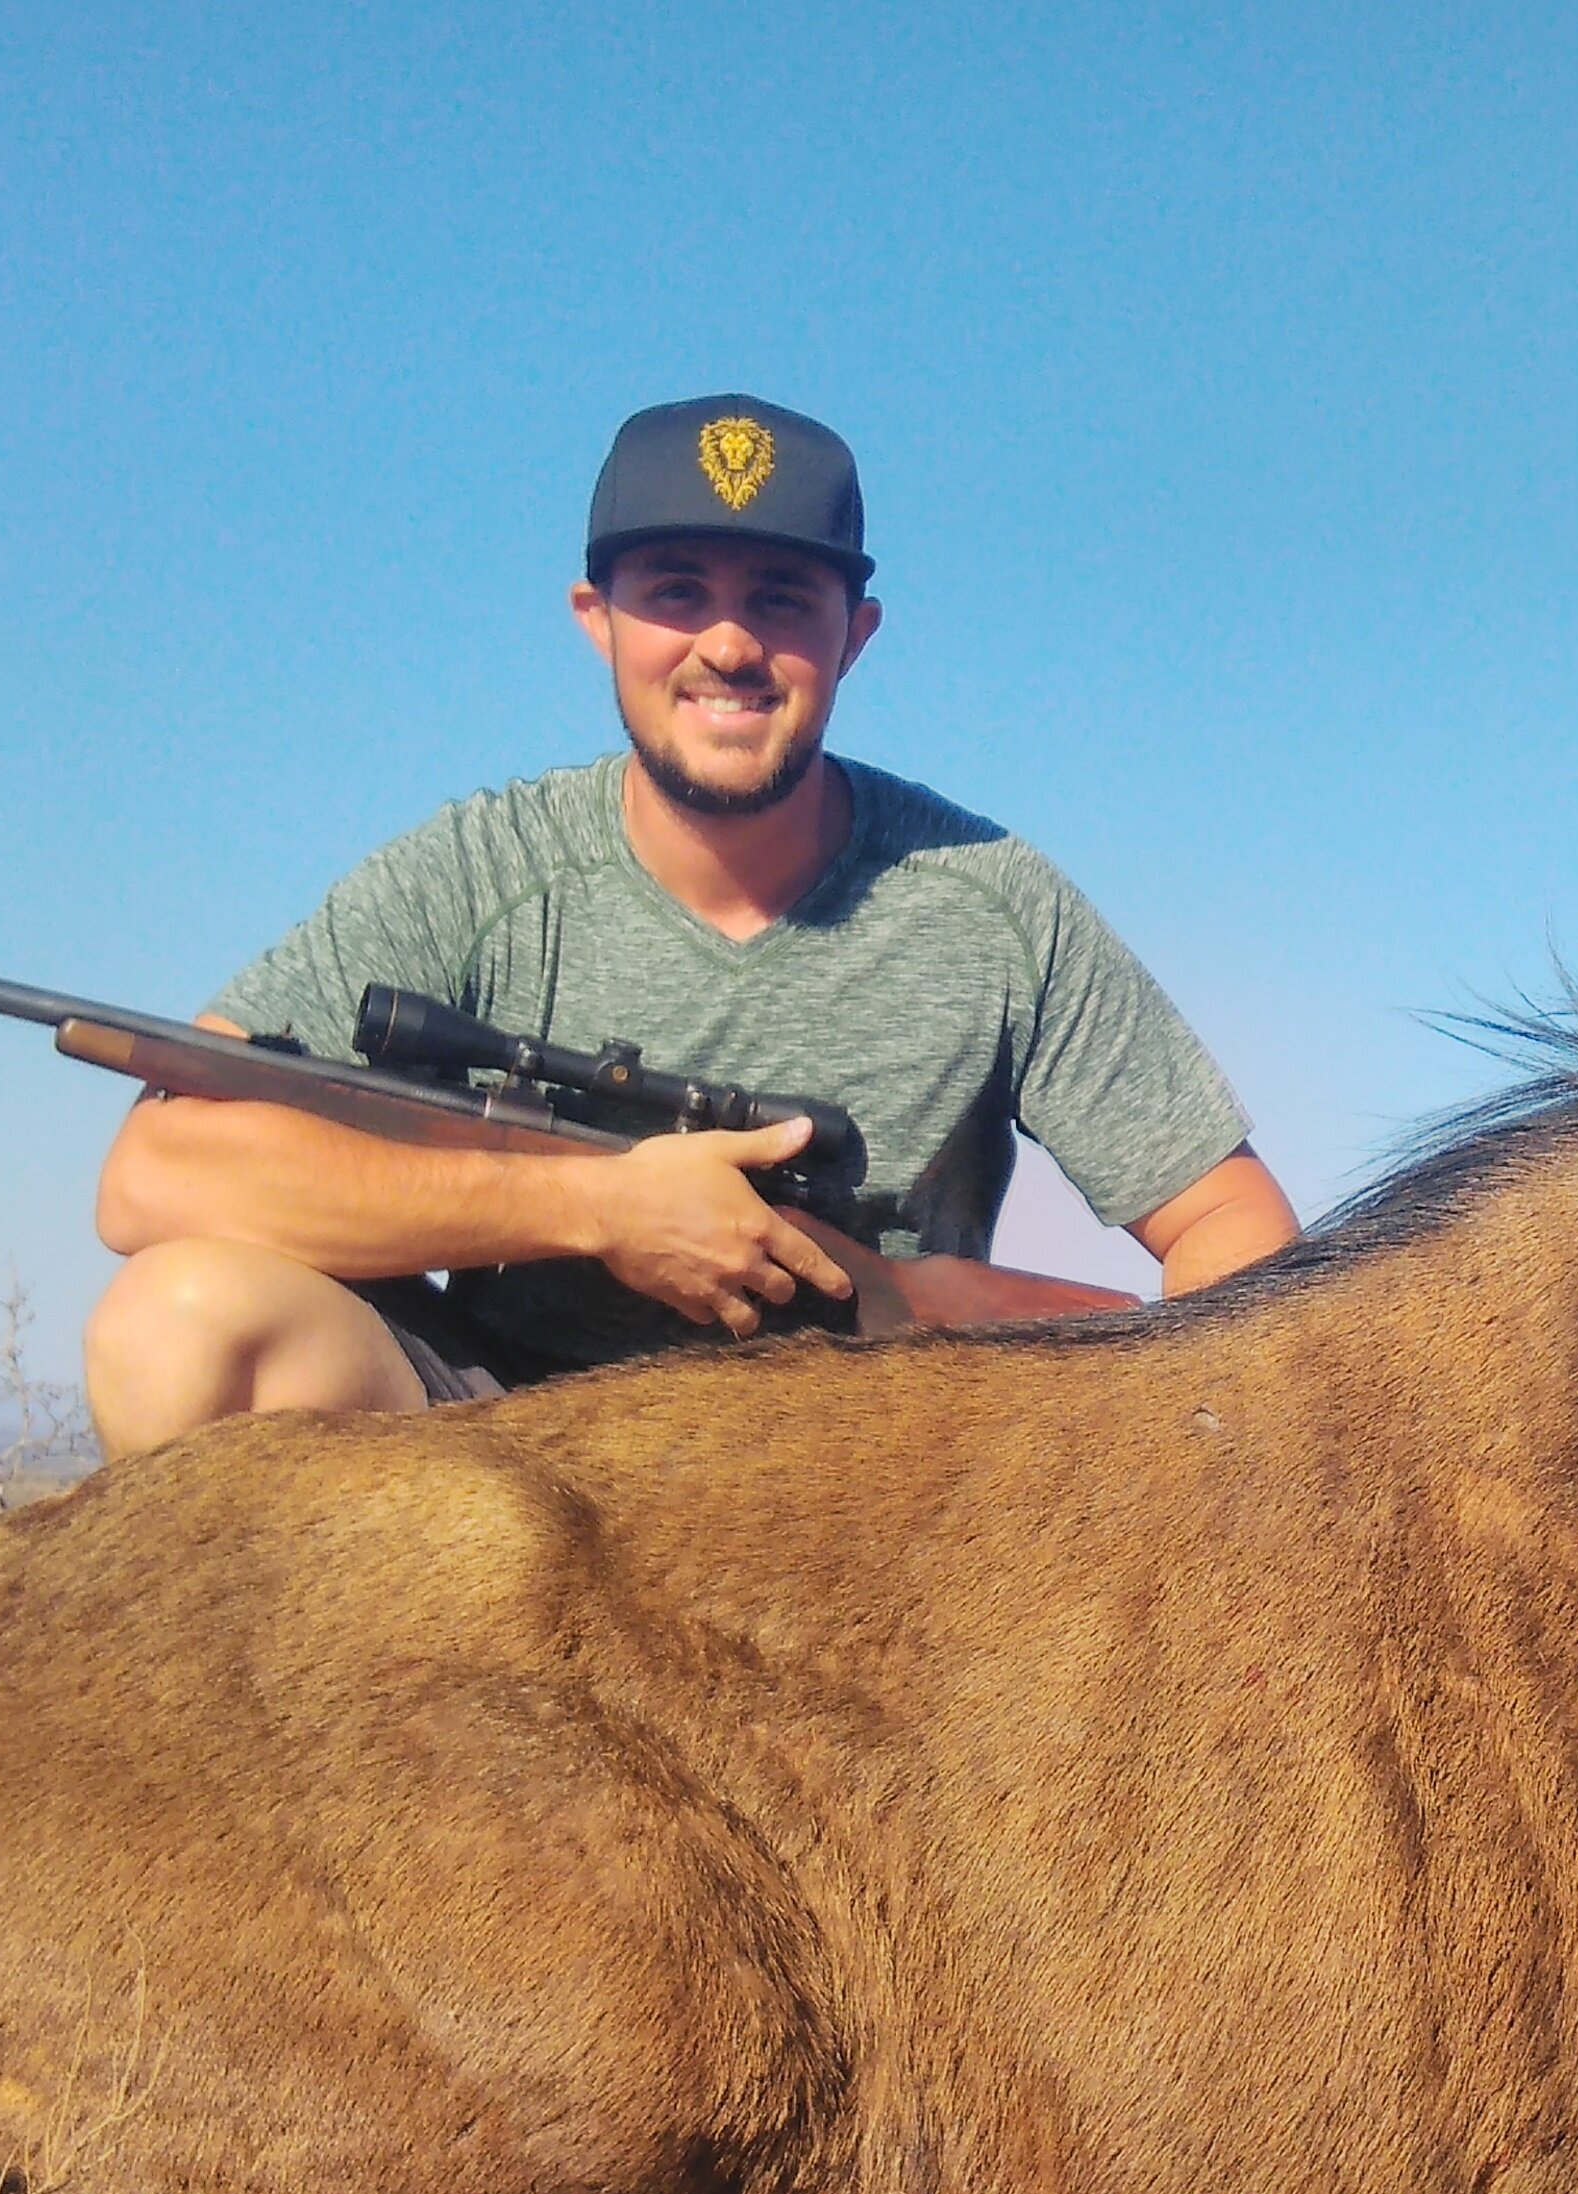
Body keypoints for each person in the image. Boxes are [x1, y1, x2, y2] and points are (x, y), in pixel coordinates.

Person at [82, 394, 1298, 1450]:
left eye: (781, 598)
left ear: (852, 636)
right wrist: (595, 1209)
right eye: (675, 592)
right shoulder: (479, 869)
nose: (727, 644)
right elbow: (156, 1173)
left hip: (897, 1489)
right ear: (594, 617)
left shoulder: (991, 897)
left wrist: (1160, 1450)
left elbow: (1227, 1222)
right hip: (503, 1472)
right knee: (175, 1328)